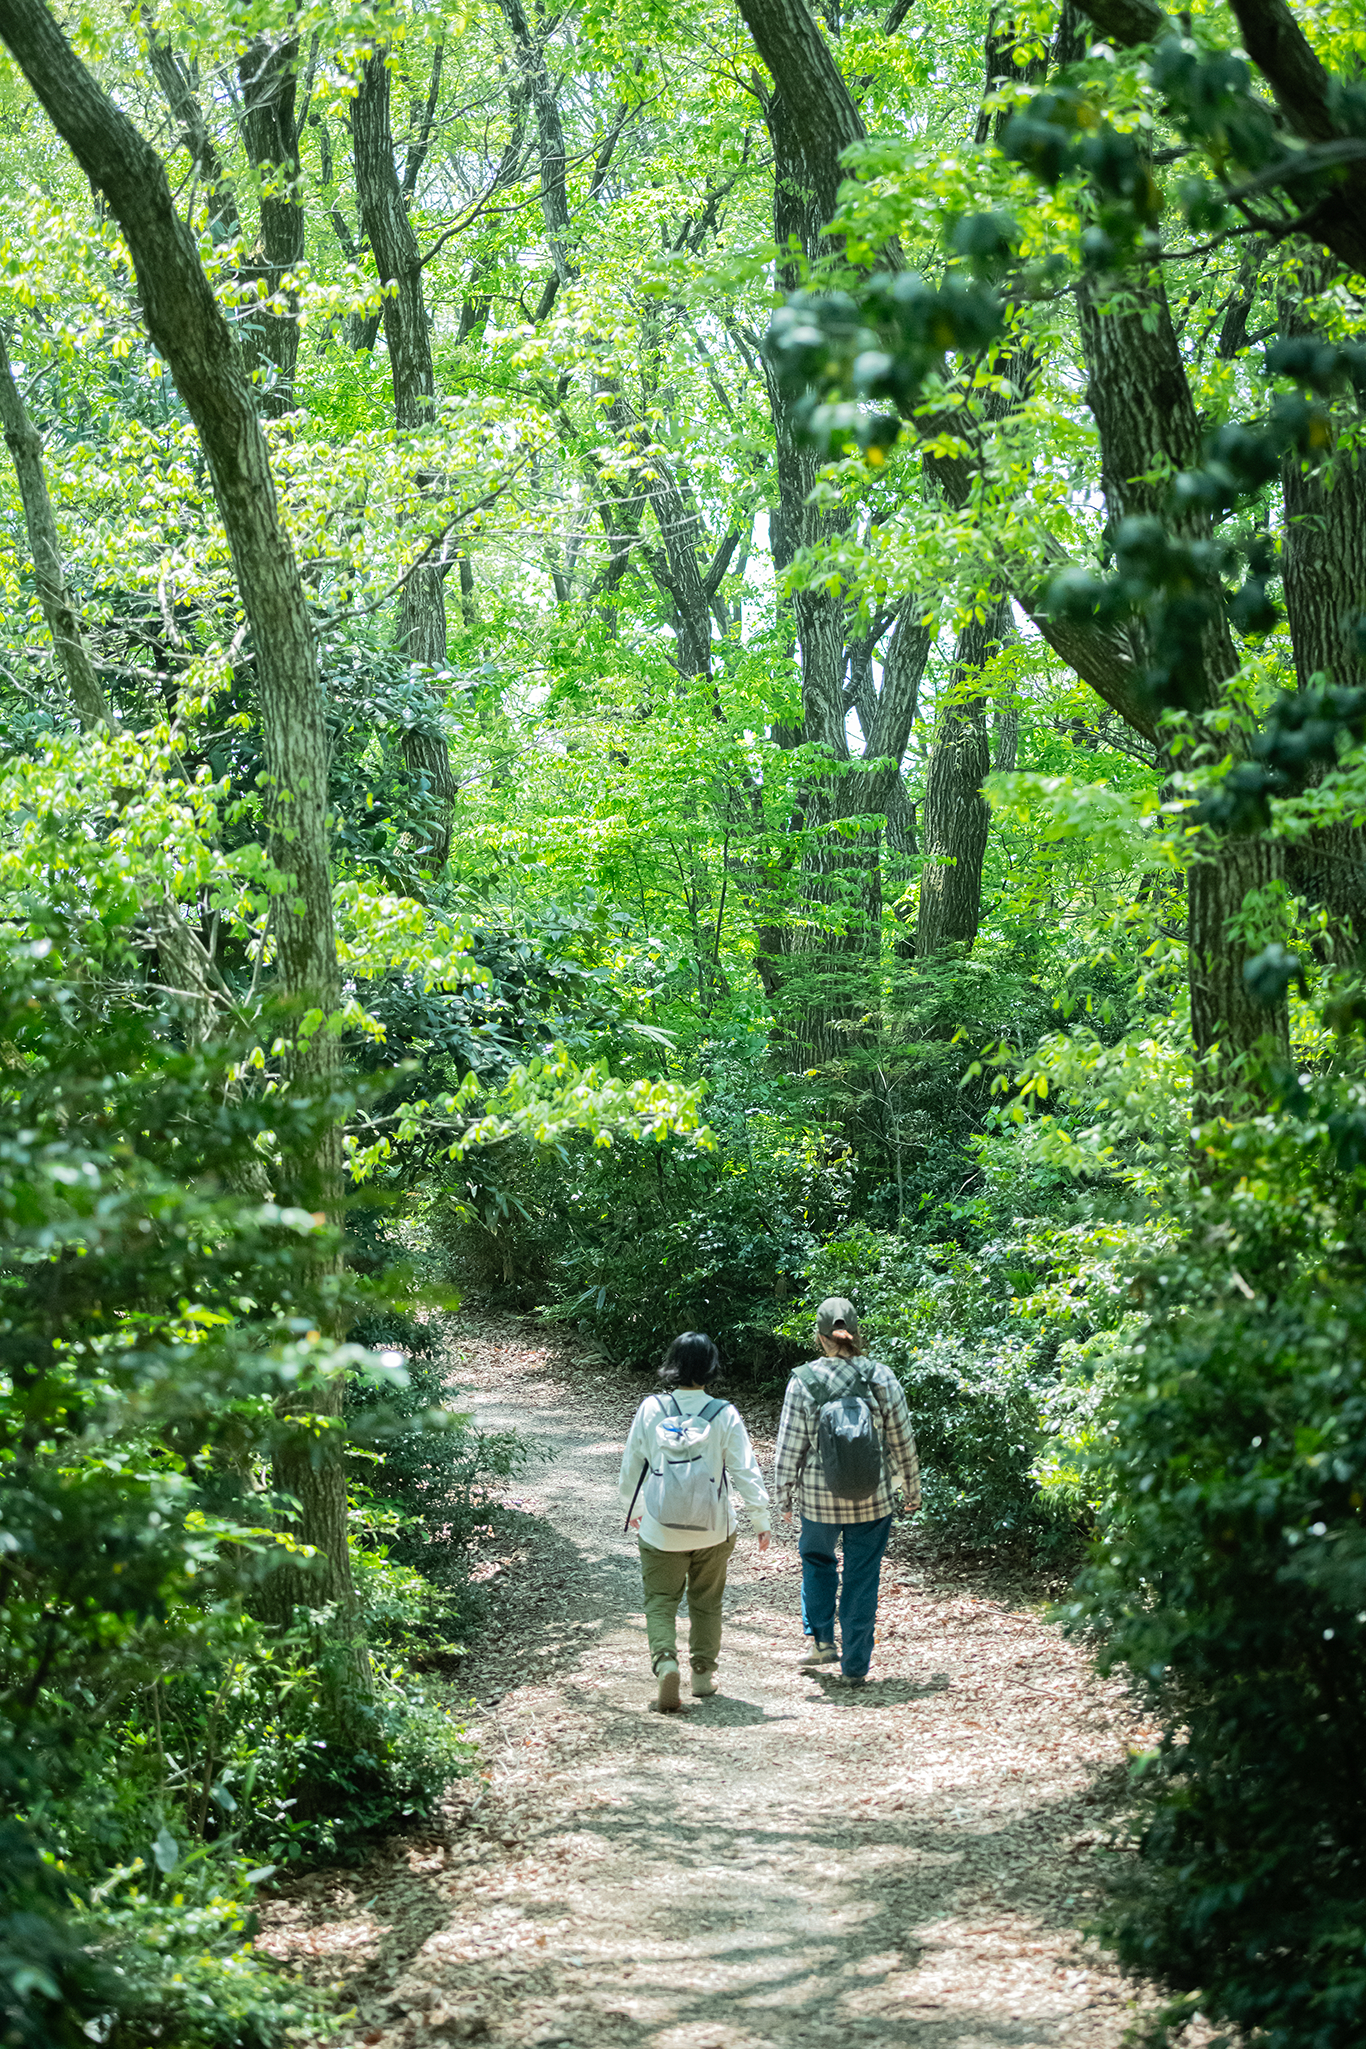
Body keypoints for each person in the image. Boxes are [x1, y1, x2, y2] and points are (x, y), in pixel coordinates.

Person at [619, 1330, 771, 1711]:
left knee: (660, 1600)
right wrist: (760, 1518)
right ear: (710, 1368)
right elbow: (745, 1470)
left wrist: (634, 1510)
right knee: (706, 1601)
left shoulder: (651, 1408)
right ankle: (702, 1674)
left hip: (660, 1529)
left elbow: (632, 1463)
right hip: (714, 1529)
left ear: (672, 1364)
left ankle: (666, 1663)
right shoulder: (724, 1414)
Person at [772, 1295, 919, 1687]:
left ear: (820, 1337)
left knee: (817, 1561)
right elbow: (902, 1439)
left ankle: (822, 1641)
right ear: (856, 1332)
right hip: (873, 1497)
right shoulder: (881, 1376)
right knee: (862, 1575)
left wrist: (783, 1495)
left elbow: (790, 1445)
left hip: (819, 1499)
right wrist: (911, 1488)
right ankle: (855, 1665)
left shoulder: (804, 1380)